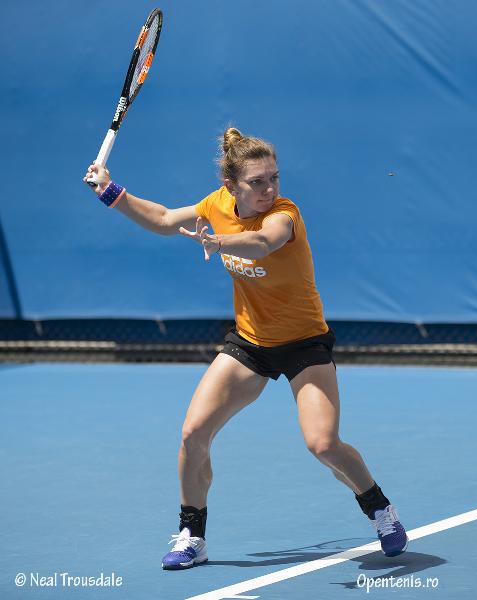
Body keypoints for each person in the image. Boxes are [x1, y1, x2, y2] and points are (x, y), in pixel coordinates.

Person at [83, 127, 408, 570]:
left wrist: (219, 242)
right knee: (193, 434)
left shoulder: (285, 214)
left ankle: (379, 508)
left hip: (304, 343)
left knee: (322, 443)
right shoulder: (215, 206)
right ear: (231, 186)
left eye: (274, 177)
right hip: (250, 343)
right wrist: (110, 191)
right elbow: (162, 219)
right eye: (257, 182)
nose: (269, 188)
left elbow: (263, 242)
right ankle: (192, 536)